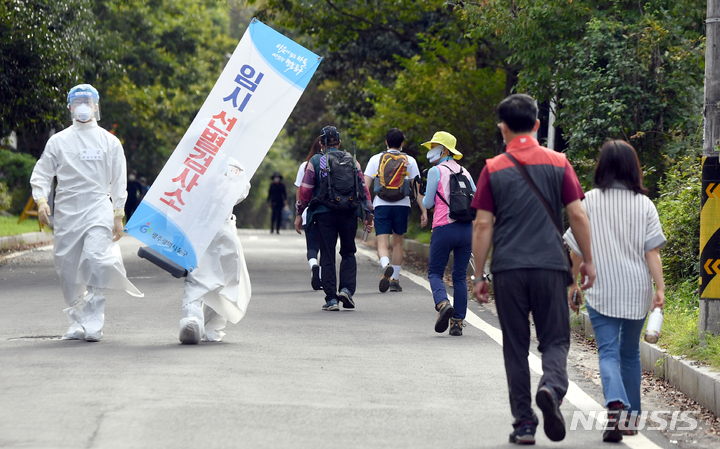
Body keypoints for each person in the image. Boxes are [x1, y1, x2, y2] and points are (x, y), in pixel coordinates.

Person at [471, 94, 596, 444]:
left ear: (503, 128)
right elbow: (577, 214)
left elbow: (483, 225)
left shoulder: (493, 168)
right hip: (551, 266)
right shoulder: (559, 162)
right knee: (555, 339)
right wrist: (587, 258)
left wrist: (479, 275)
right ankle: (553, 388)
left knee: (515, 346)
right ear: (538, 125)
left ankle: (524, 424)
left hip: (509, 269)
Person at [563, 140, 666, 443]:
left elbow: (577, 249)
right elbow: (652, 253)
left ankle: (615, 405)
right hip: (637, 290)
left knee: (608, 351)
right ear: (634, 168)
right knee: (631, 353)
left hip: (601, 288)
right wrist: (660, 288)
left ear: (602, 167)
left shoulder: (589, 201)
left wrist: (572, 283)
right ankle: (631, 419)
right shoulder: (645, 204)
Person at [30, 83, 143, 342]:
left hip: (97, 207)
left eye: (87, 101)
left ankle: (93, 320)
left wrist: (118, 214)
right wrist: (41, 201)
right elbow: (43, 172)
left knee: (95, 259)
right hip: (68, 209)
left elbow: (118, 179)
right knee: (67, 267)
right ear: (70, 107)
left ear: (96, 106)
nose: (83, 106)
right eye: (77, 101)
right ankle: (76, 321)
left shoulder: (110, 142)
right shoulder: (58, 141)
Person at [294, 125, 374, 311]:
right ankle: (346, 289)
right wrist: (368, 214)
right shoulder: (353, 161)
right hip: (349, 213)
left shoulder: (316, 161)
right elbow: (363, 189)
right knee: (348, 252)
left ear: (321, 143)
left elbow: (305, 190)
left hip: (324, 213)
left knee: (327, 254)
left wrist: (300, 214)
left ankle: (331, 299)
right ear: (339, 143)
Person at [179, 158, 252, 344]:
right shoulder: (235, 166)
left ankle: (192, 318)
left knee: (195, 277)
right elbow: (242, 192)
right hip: (223, 229)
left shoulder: (193, 163)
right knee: (224, 282)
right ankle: (213, 329)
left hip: (195, 229)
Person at [420, 131, 475, 336]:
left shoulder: (436, 171)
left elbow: (428, 203)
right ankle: (457, 323)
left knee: (435, 272)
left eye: (434, 146)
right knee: (460, 276)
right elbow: (476, 198)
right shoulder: (466, 172)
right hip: (466, 229)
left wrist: (422, 192)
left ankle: (443, 304)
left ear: (444, 150)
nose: (431, 150)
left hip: (444, 228)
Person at [364, 128, 427, 293]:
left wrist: (366, 209)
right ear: (402, 143)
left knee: (382, 242)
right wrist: (424, 211)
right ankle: (395, 280)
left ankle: (386, 266)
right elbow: (417, 190)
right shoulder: (410, 161)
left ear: (386, 142)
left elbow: (365, 187)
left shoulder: (376, 159)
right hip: (402, 205)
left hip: (381, 204)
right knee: (398, 242)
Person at [294, 136, 324, 290]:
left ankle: (314, 266)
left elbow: (301, 191)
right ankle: (325, 278)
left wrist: (298, 214)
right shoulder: (337, 163)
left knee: (312, 247)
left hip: (309, 212)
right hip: (329, 212)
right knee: (326, 246)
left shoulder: (305, 165)